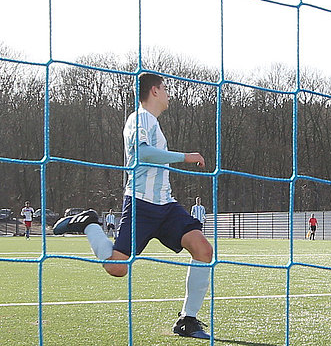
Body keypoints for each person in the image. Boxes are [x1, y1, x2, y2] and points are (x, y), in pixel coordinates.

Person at [52, 73, 213, 339]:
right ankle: (89, 223)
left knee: (203, 250)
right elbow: (142, 152)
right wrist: (185, 156)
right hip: (141, 204)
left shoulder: (154, 122)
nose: (169, 93)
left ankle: (187, 320)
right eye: (165, 88)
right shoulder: (138, 119)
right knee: (117, 269)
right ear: (154, 91)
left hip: (166, 205)